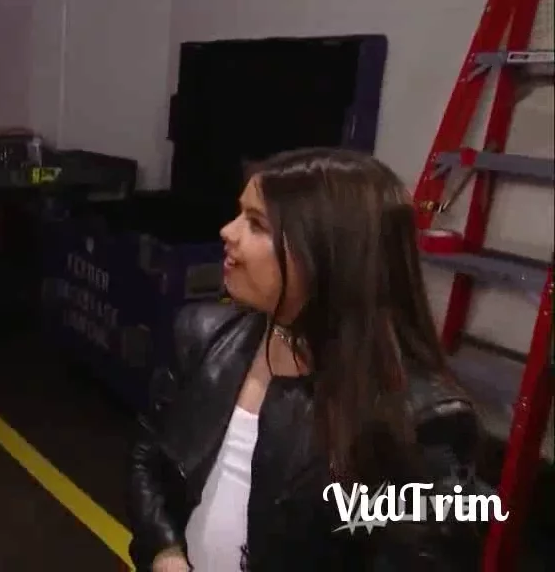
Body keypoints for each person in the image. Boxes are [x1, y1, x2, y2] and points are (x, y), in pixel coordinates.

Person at [126, 148, 483, 571]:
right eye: (240, 214)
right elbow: (149, 458)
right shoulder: (205, 336)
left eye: (257, 223)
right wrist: (165, 553)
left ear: (331, 253)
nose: (227, 231)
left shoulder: (423, 419)